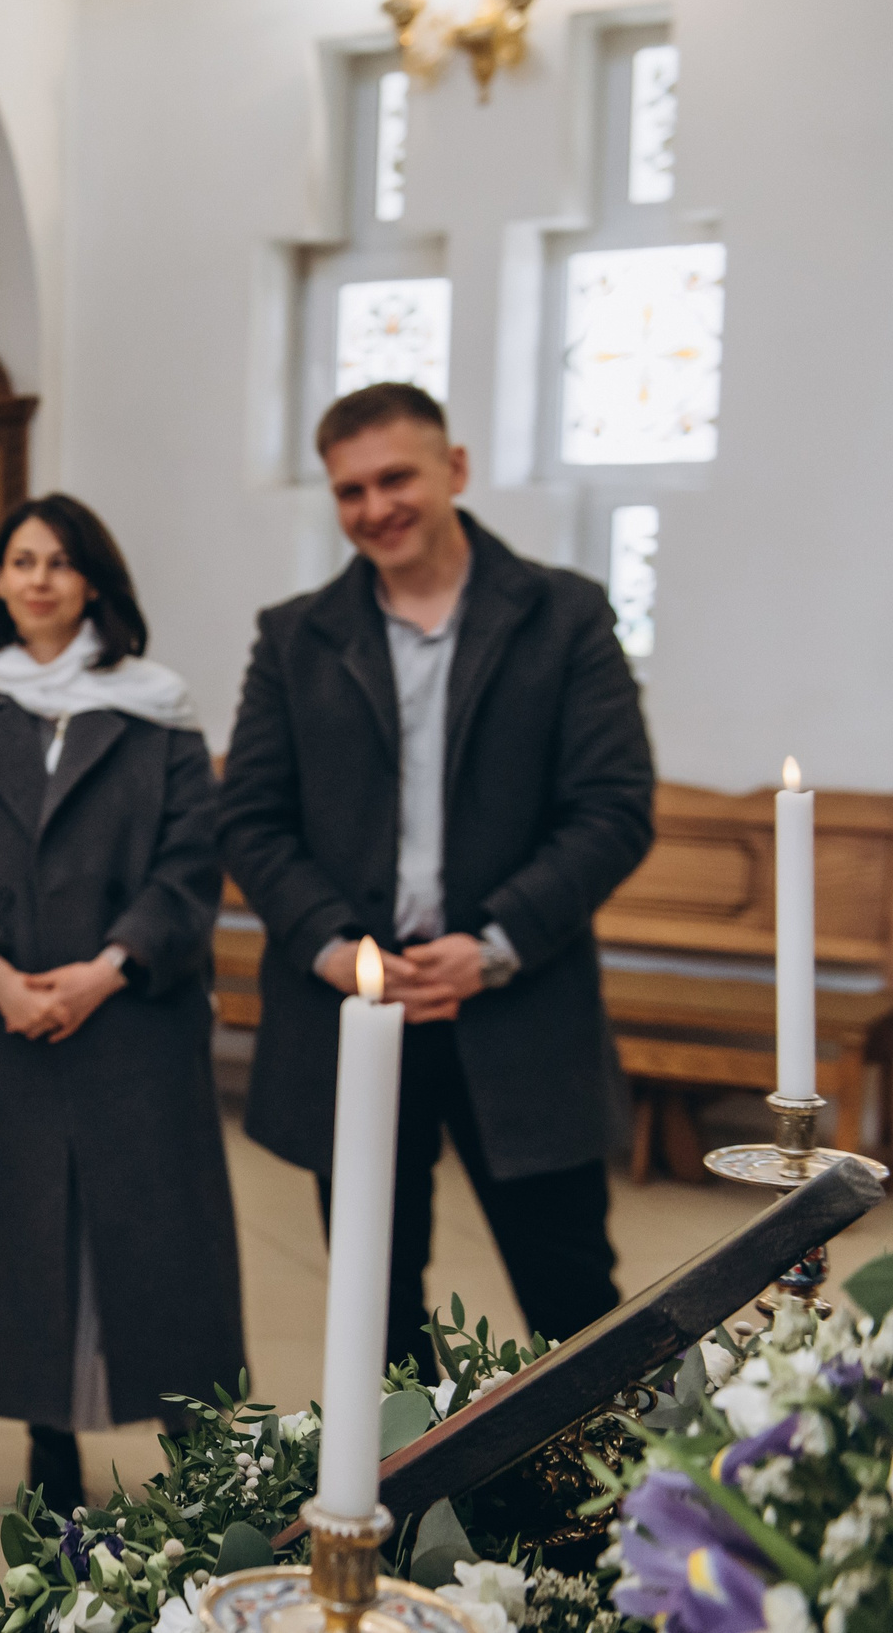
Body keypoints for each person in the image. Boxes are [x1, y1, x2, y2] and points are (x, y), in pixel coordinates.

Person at [216, 381, 655, 1378]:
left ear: (452, 468)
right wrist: (336, 945)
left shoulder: (562, 615)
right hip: (359, 1010)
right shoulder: (295, 636)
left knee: (571, 1296)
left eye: (394, 476)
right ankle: (412, 1516)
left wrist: (493, 942)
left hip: (518, 1000)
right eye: (349, 489)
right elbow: (248, 814)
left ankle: (613, 1518)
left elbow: (613, 805)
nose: (374, 506)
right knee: (376, 1306)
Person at [0, 491, 243, 1509]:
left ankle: (201, 1452)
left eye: (56, 560)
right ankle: (49, 1442)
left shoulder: (156, 705)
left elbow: (190, 865)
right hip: (5, 1023)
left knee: (155, 1241)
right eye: (19, 560)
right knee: (26, 1238)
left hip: (132, 1018)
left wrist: (104, 969)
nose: (36, 577)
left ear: (93, 578)